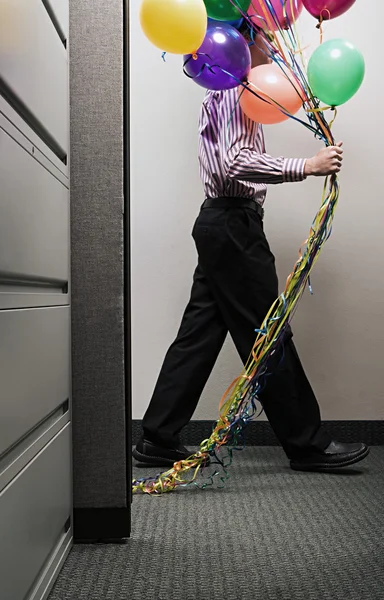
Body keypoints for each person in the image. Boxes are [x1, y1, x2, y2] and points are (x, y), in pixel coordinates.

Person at [133, 25, 369, 472]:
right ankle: (307, 444)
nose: (276, 46)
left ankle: (157, 437)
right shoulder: (232, 90)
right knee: (269, 332)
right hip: (231, 224)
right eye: (266, 37)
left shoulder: (235, 90)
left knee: (199, 334)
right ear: (243, 39)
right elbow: (235, 161)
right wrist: (308, 165)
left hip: (224, 223)